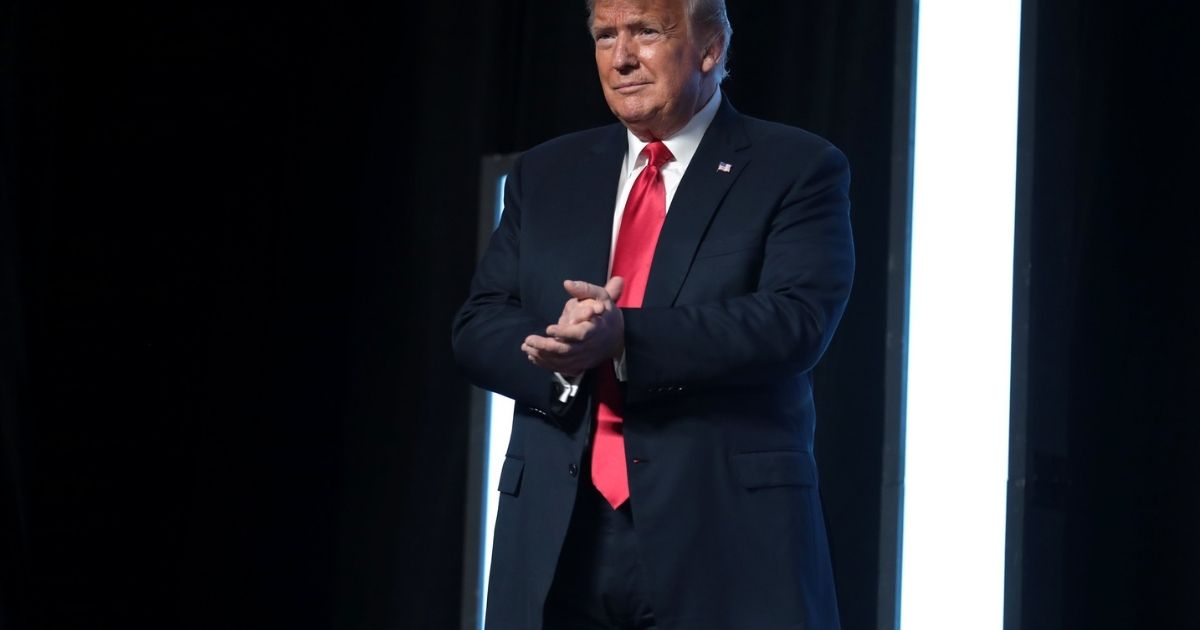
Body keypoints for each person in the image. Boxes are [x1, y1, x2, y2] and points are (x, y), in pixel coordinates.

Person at [453, 0, 854, 627]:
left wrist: (623, 338)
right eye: (604, 35)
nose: (622, 58)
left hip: (722, 533)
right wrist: (561, 354)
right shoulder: (546, 172)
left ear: (710, 49)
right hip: (559, 533)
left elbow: (793, 321)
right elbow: (479, 322)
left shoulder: (796, 167)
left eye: (646, 31)